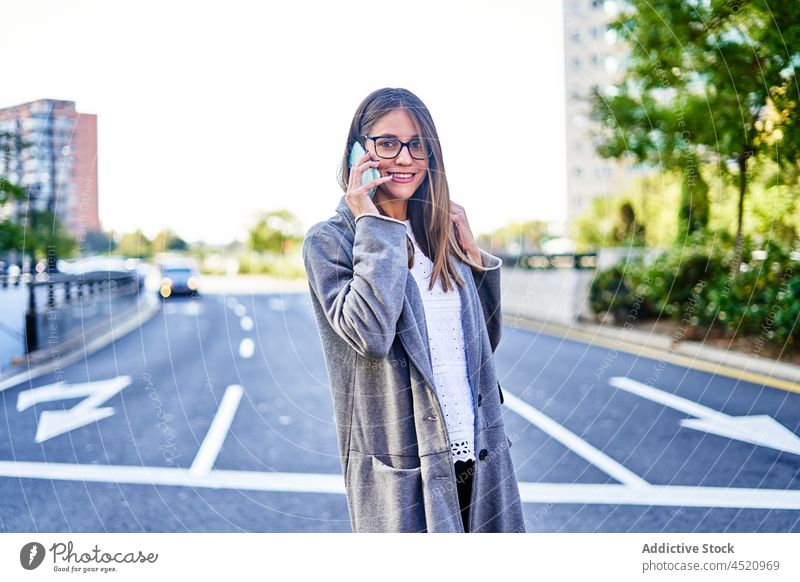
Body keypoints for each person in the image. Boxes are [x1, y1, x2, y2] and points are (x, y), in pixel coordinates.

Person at [302, 87, 525, 533]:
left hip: (477, 456)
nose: (404, 158)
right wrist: (372, 220)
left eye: (416, 144)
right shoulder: (330, 242)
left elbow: (481, 346)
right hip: (406, 469)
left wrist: (475, 260)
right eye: (387, 142)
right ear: (356, 152)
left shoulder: (438, 234)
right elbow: (369, 334)